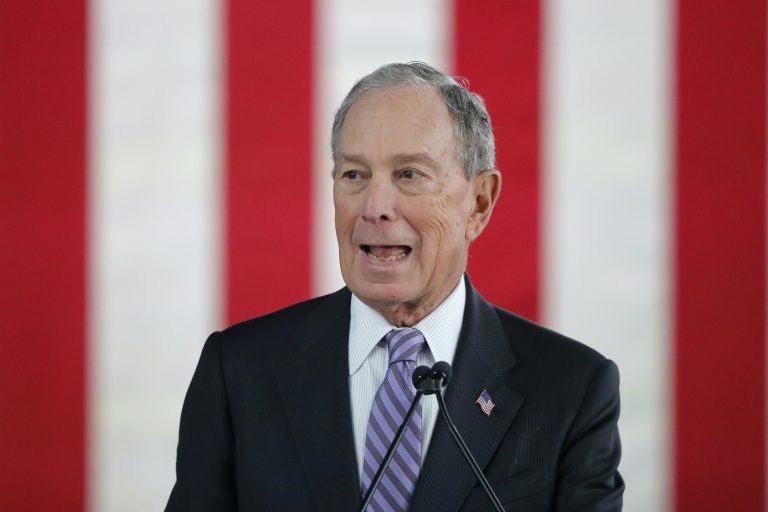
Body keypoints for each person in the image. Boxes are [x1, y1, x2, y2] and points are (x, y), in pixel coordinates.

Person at [165, 62, 624, 511]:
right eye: (354, 175)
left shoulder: (570, 390)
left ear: (479, 203)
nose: (374, 207)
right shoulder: (239, 372)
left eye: (409, 174)